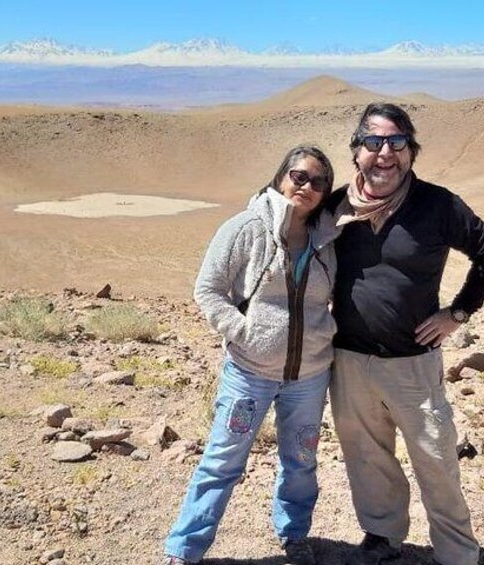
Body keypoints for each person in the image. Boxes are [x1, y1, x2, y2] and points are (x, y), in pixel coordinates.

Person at [326, 103, 484, 565]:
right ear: (356, 151)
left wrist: (459, 313)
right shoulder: (336, 206)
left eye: (396, 142)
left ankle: (456, 552)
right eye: (373, 142)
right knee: (367, 457)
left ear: (411, 151)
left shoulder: (437, 204)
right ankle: (383, 535)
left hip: (412, 363)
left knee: (436, 460)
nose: (384, 153)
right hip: (348, 360)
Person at [161, 145, 340, 565]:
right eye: (299, 176)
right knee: (222, 460)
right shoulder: (245, 228)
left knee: (301, 461)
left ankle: (294, 536)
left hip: (309, 376)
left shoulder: (327, 238)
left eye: (318, 182)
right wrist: (244, 332)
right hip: (249, 372)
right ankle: (184, 549)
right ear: (281, 177)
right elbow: (208, 289)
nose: (307, 187)